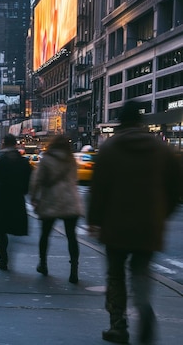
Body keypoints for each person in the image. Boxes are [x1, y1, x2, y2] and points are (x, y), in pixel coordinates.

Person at [87, 101, 183, 344]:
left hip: (115, 225)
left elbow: (97, 190)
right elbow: (175, 189)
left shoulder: (110, 148)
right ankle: (145, 311)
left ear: (120, 119)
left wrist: (94, 220)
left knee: (116, 276)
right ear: (140, 121)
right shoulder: (161, 149)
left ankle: (118, 325)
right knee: (140, 273)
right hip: (149, 226)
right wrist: (161, 214)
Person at [29, 134, 82, 283]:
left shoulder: (46, 159)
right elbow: (75, 179)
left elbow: (36, 180)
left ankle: (43, 263)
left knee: (45, 234)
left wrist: (33, 197)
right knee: (72, 236)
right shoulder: (71, 159)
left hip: (50, 200)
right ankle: (74, 270)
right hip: (71, 200)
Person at [0, 134, 32, 271]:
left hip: (2, 200)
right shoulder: (23, 161)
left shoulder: (1, 161)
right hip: (17, 199)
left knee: (2, 232)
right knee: (13, 229)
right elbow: (28, 180)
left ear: (4, 143)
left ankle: (3, 259)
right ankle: (7, 257)